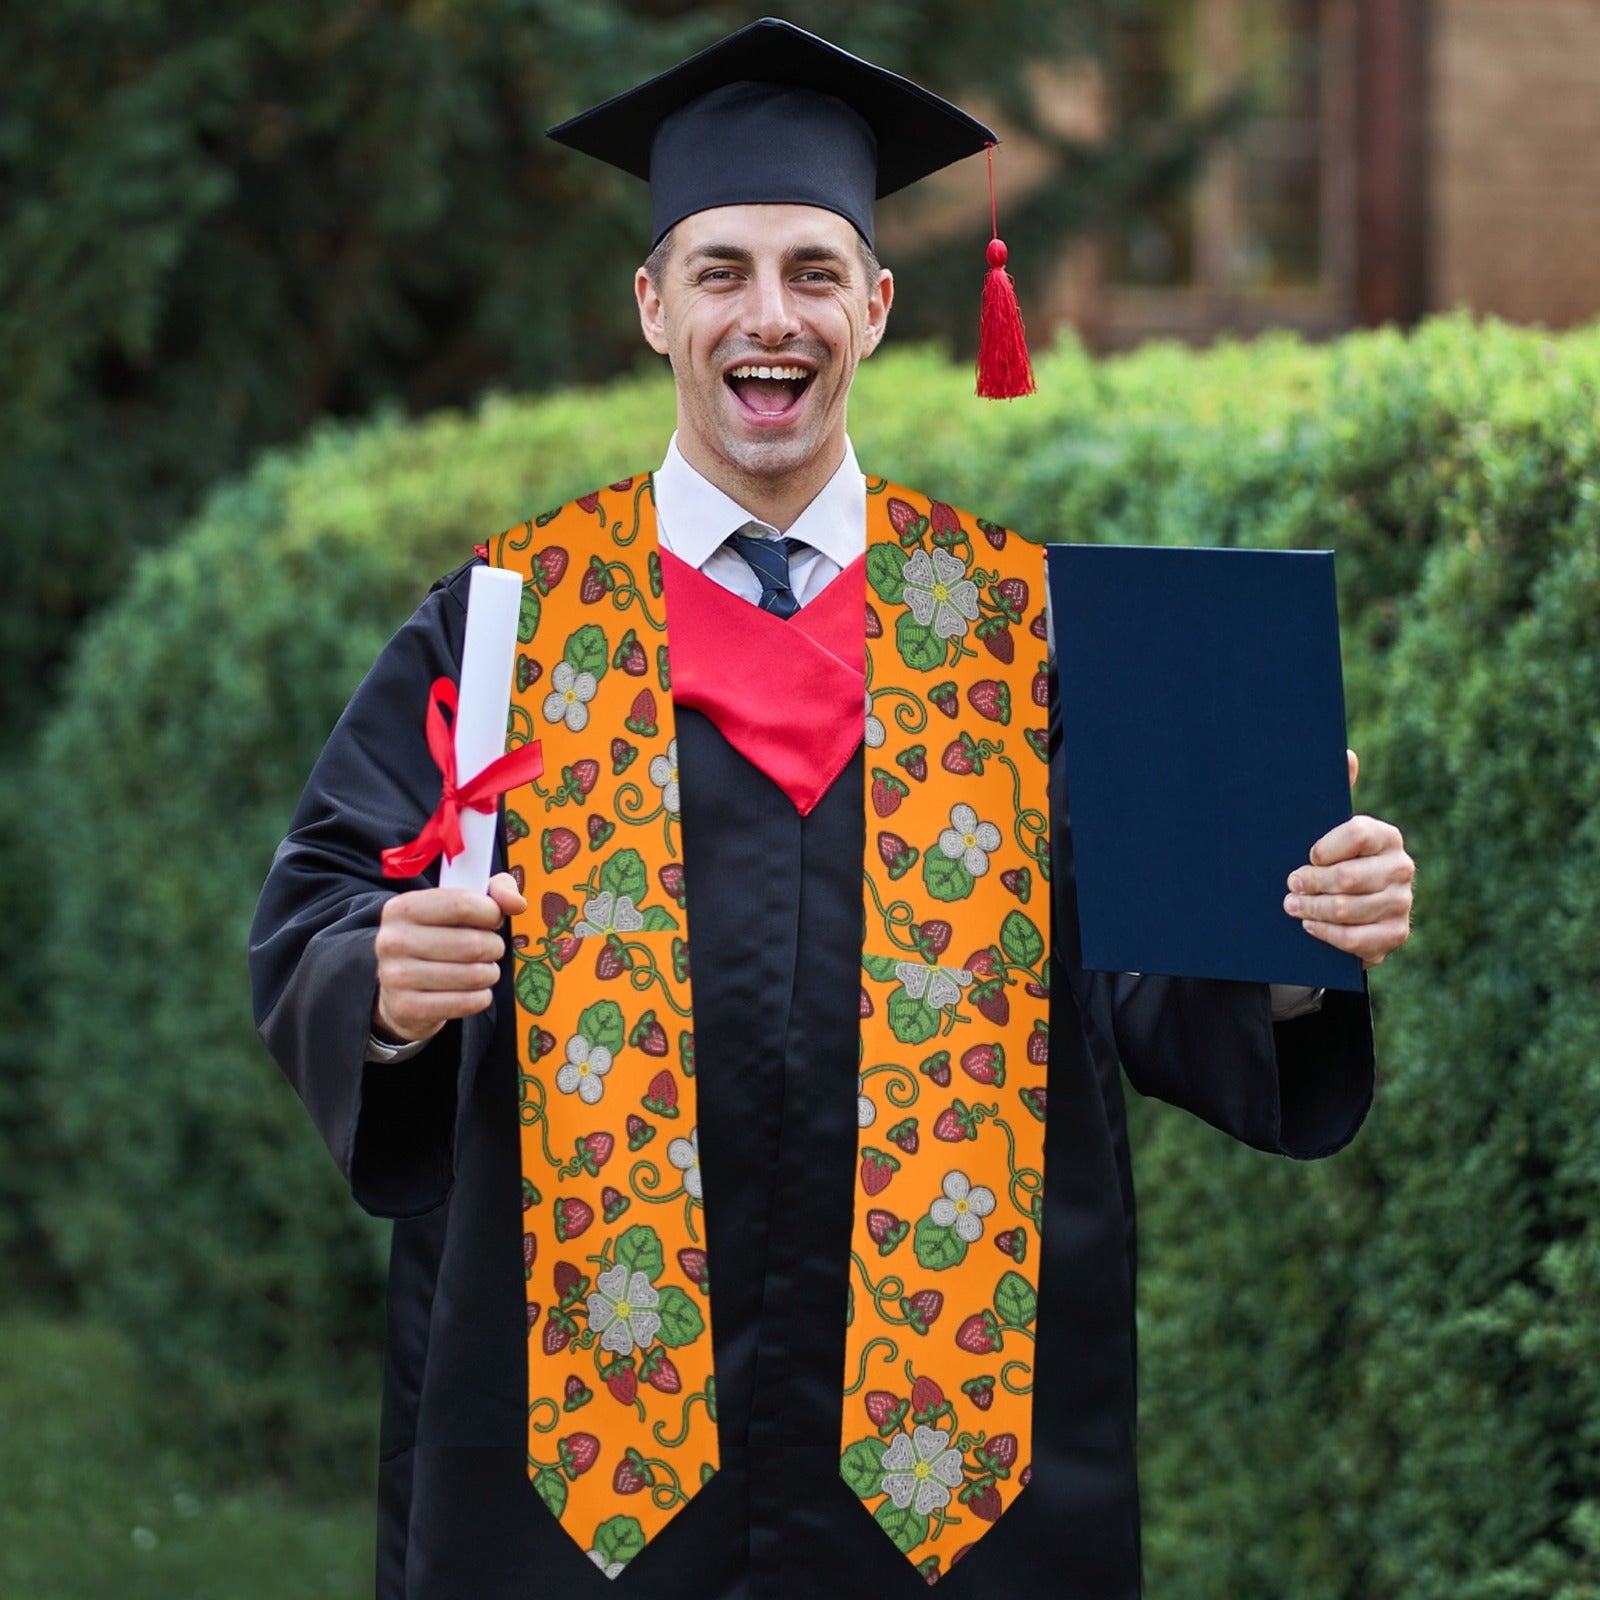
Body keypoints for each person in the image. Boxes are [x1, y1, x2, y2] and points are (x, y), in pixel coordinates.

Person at [249, 19, 1414, 1600]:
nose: (768, 316)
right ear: (654, 305)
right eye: (721, 270)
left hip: (955, 1461)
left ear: (877, 305)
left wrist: (1292, 936)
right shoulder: (512, 625)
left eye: (812, 270)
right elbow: (323, 902)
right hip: (583, 1454)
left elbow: (1149, 977)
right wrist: (380, 983)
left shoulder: (1025, 628)